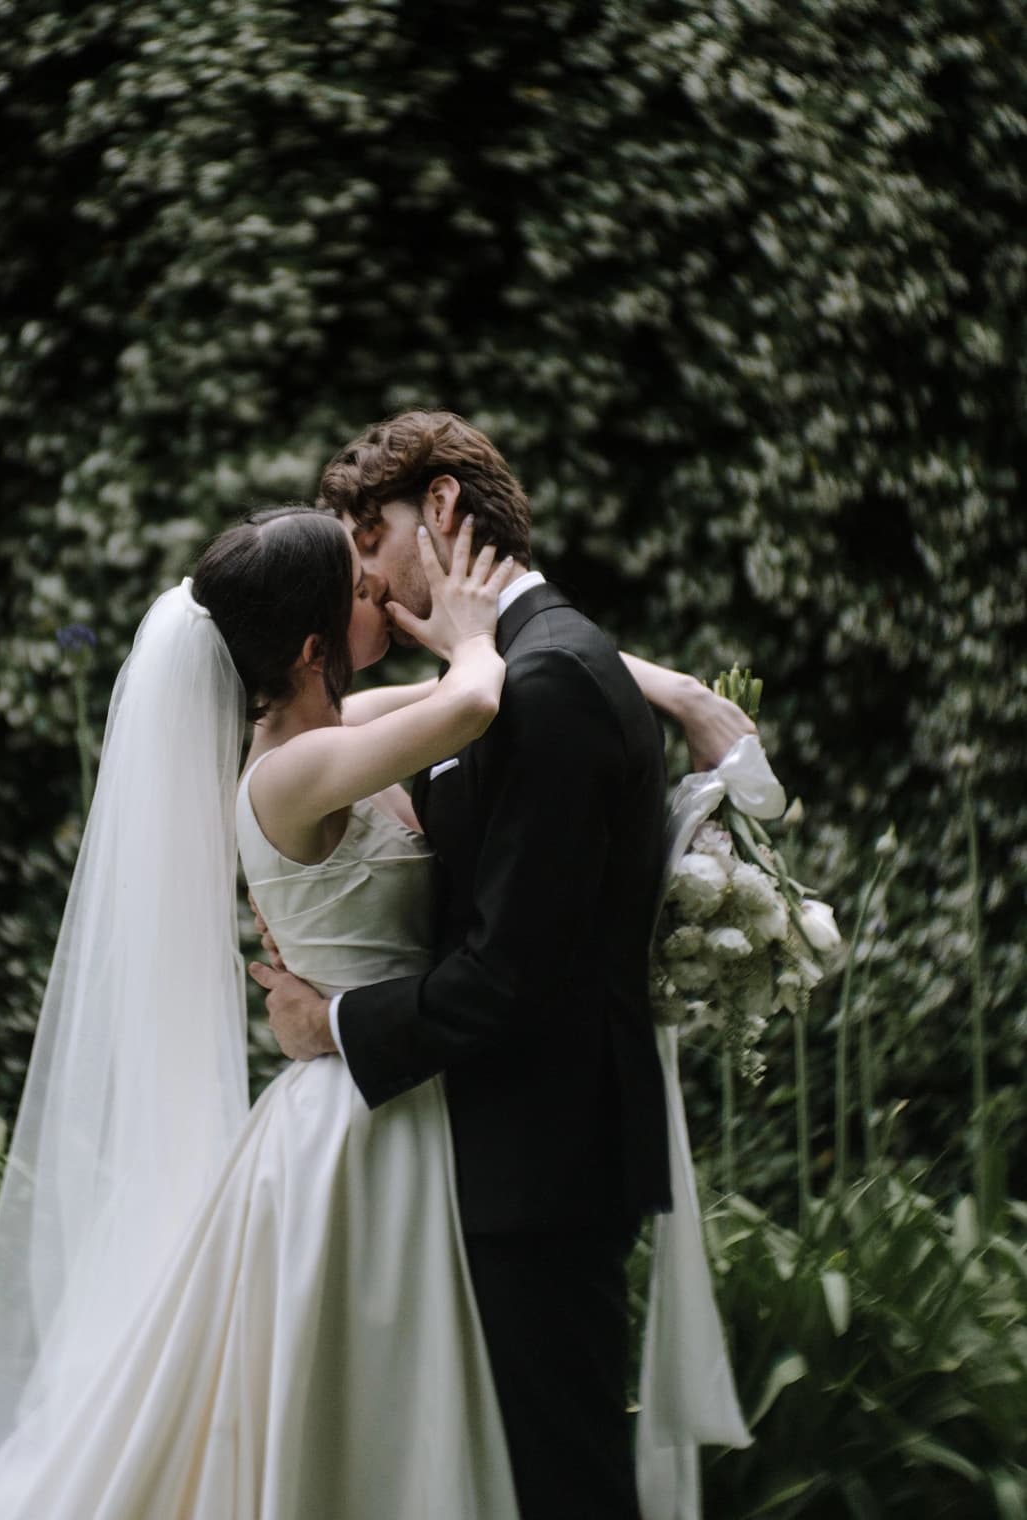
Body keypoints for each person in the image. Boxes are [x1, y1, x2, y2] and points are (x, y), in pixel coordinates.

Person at [0, 495, 746, 1518]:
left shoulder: (341, 724)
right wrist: (474, 627)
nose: (380, 591)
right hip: (354, 1126)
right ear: (310, 643)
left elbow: (515, 675)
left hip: (406, 1091)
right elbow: (474, 701)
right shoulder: (291, 771)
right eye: (357, 589)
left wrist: (678, 694)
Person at [252, 410, 753, 1520]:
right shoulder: (522, 666)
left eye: (367, 542)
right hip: (494, 1152)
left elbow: (508, 972)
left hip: (537, 1160)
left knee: (559, 1478)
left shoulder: (544, 681)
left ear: (437, 508)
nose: (368, 584)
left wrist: (327, 1022)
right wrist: (677, 687)